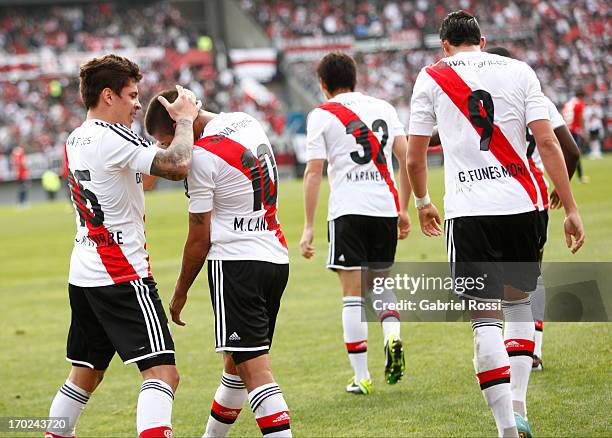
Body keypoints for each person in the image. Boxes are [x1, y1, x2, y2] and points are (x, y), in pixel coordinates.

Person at [406, 11, 584, 438]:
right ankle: (519, 403)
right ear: (482, 41)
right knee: (520, 305)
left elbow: (414, 156)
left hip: (470, 213)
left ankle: (506, 427)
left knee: (485, 320)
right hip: (524, 206)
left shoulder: (431, 77)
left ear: (444, 44)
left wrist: (423, 202)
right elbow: (548, 142)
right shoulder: (520, 70)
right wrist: (572, 208)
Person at [46, 54, 201, 438]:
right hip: (121, 273)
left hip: (84, 271)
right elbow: (177, 165)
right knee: (163, 373)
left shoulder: (76, 137)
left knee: (85, 374)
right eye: (131, 96)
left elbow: (139, 178)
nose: (136, 104)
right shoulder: (111, 136)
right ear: (108, 95)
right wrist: (184, 120)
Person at [144, 89, 292, 438]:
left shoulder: (201, 157)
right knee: (236, 365)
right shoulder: (244, 121)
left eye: (170, 140)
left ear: (182, 123)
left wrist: (179, 293)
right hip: (273, 254)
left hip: (237, 263)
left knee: (256, 372)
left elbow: (199, 236)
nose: (171, 150)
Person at [300, 52, 412, 395]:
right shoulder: (384, 108)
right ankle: (392, 335)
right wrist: (405, 208)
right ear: (356, 78)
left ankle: (361, 376)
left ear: (323, 84)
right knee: (378, 284)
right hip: (383, 208)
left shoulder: (321, 115)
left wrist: (308, 226)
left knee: (352, 296)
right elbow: (406, 158)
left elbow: (313, 172)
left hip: (348, 210)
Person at [485, 47, 581, 370]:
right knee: (529, 277)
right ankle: (532, 350)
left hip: (487, 193)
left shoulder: (481, 103)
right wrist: (560, 189)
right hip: (530, 195)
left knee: (493, 281)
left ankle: (500, 349)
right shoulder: (535, 96)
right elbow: (572, 151)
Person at [562, 89, 588, 182]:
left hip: (565, 131)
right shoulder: (579, 104)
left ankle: (564, 176)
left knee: (567, 154)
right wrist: (584, 131)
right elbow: (581, 118)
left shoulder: (568, 104)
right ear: (581, 96)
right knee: (575, 154)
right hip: (574, 131)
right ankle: (580, 177)